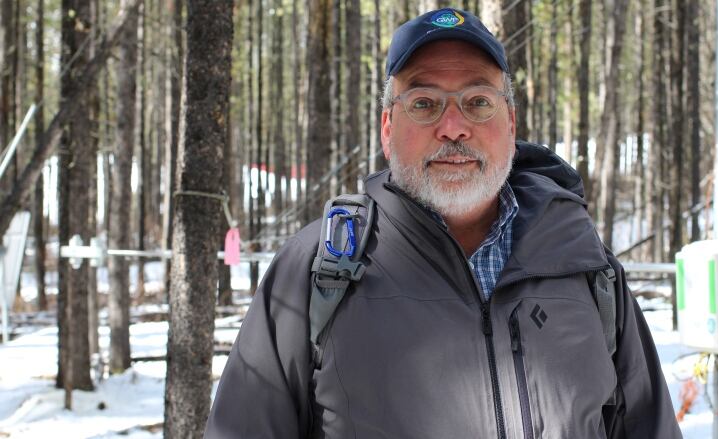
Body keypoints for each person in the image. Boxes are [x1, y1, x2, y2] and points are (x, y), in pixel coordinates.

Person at [205, 8, 681, 438]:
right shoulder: (318, 272)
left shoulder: (586, 269)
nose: (454, 127)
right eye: (425, 103)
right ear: (388, 129)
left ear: (511, 124)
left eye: (477, 102)